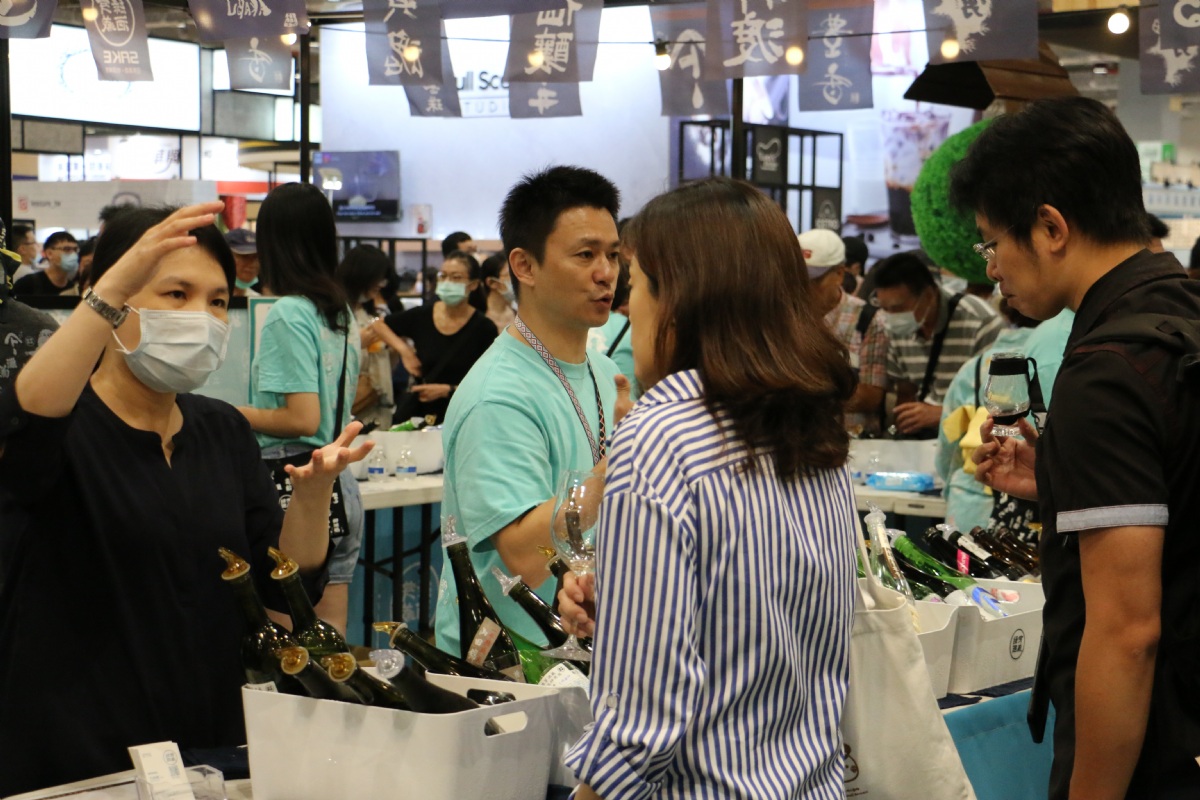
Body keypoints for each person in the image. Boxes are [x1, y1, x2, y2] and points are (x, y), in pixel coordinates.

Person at [0, 202, 367, 795]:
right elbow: (31, 409)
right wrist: (111, 284)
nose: (202, 317)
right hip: (80, 753)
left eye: (218, 301)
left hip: (206, 747)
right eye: (176, 294)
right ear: (114, 300)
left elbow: (281, 582)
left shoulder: (221, 430)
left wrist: (312, 496)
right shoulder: (61, 428)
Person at [558, 177, 858, 800]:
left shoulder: (659, 436)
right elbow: (779, 617)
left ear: (680, 300)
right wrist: (629, 602)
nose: (628, 306)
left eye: (636, 285)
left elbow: (642, 723)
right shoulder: (810, 419)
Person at [955, 96, 1200, 799]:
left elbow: (1127, 633)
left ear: (1051, 227)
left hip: (1161, 754)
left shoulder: (1106, 370)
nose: (992, 268)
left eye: (991, 243)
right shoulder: (1182, 314)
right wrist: (1061, 477)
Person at [433, 165, 629, 657]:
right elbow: (523, 556)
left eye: (612, 255)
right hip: (511, 663)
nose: (606, 272)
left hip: (589, 644)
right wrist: (621, 464)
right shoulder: (498, 394)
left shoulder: (604, 371)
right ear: (524, 266)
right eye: (585, 254)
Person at [237, 183, 364, 637]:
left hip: (292, 482)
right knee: (331, 637)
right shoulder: (339, 311)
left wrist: (228, 412)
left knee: (288, 639)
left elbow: (300, 419)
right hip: (339, 482)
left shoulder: (287, 313)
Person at [936, 300, 1041, 533]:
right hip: (1034, 510)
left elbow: (947, 449)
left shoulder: (973, 368)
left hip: (971, 505)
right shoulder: (1053, 362)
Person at [873, 251, 1002, 438]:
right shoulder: (893, 327)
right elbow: (906, 390)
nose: (891, 316)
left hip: (970, 438)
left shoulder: (979, 321)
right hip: (920, 441)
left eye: (897, 308)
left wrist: (942, 414)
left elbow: (999, 400)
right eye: (884, 308)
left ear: (928, 295)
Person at [384, 250, 497, 424]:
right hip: (419, 417)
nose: (447, 282)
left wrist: (447, 390)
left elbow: (488, 383)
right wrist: (405, 351)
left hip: (464, 416)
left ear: (473, 284)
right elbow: (380, 324)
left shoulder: (484, 328)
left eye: (456, 277)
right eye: (443, 276)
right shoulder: (422, 315)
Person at [801, 228, 888, 435]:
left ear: (839, 274)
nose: (803, 288)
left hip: (852, 440)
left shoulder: (868, 319)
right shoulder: (785, 317)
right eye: (797, 278)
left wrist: (805, 393)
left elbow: (871, 395)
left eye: (813, 280)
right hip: (798, 439)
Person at [336, 244, 399, 431]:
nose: (381, 284)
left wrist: (393, 351)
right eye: (378, 279)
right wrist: (356, 343)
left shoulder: (369, 314)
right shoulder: (335, 313)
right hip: (353, 413)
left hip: (379, 408)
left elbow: (384, 364)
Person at [585, 254, 636, 396]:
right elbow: (628, 399)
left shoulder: (578, 322)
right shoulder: (629, 331)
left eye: (613, 255)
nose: (608, 275)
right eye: (586, 255)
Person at [13, 231, 80, 297]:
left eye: (75, 249)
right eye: (67, 249)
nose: (73, 254)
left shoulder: (73, 289)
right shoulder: (28, 284)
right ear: (49, 253)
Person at [480, 251, 517, 331]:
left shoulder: (518, 315)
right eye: (510, 275)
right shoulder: (478, 320)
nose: (517, 280)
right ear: (492, 282)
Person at [225, 228, 261, 296]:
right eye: (244, 256)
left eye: (256, 257)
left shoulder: (257, 300)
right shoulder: (209, 298)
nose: (252, 263)